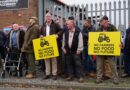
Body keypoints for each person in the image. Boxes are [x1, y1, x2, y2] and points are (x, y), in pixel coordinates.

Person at [96, 15, 119, 84]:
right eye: (100, 21)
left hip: (110, 50)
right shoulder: (99, 29)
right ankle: (99, 78)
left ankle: (115, 79)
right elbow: (95, 38)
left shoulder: (112, 27)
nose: (100, 22)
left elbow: (117, 36)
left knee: (112, 65)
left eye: (101, 21)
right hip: (100, 50)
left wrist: (119, 42)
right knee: (99, 65)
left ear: (105, 21)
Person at [40, 13, 62, 80]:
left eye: (49, 16)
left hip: (53, 44)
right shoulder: (43, 25)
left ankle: (54, 74)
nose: (48, 18)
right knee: (46, 60)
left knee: (54, 60)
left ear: (51, 17)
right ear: (45, 18)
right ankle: (47, 74)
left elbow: (61, 31)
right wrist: (40, 35)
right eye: (46, 16)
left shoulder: (55, 24)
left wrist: (57, 35)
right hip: (46, 44)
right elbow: (40, 32)